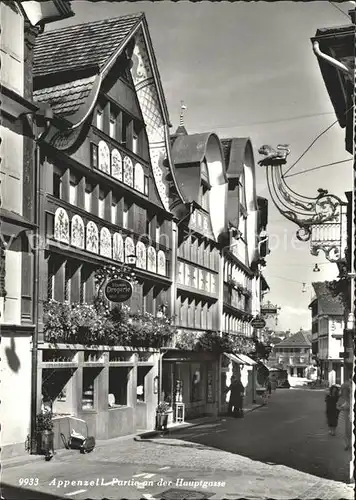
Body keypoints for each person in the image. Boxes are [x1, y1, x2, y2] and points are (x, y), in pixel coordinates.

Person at [337, 376, 352, 450]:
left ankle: (348, 444)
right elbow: (338, 406)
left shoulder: (350, 398)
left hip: (348, 414)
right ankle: (347, 444)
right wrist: (342, 407)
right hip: (344, 414)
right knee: (345, 430)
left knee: (348, 430)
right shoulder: (341, 398)